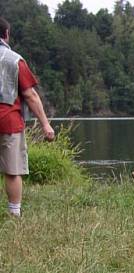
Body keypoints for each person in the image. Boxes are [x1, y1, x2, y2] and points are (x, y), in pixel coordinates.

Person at [0, 16, 55, 218]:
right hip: (9, 122)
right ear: (6, 34)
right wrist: (46, 125)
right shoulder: (14, 60)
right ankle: (14, 213)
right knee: (12, 170)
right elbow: (30, 95)